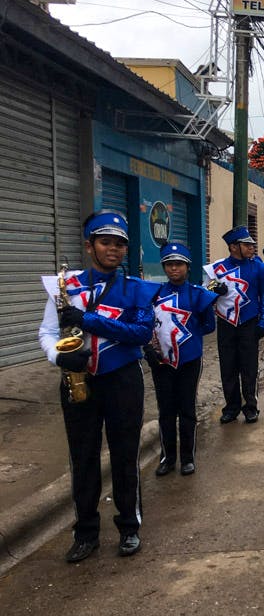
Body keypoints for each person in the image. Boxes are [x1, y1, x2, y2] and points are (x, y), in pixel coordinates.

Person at [38, 211, 158, 562]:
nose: (113, 249)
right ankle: (86, 533)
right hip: (77, 381)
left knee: (125, 455)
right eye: (106, 242)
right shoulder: (65, 286)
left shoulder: (136, 288)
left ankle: (129, 527)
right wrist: (58, 357)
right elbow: (47, 332)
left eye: (120, 244)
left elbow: (141, 333)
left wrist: (89, 320)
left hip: (123, 379)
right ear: (89, 246)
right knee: (83, 458)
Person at [146, 242, 221, 478]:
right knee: (166, 410)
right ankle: (167, 458)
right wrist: (151, 348)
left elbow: (209, 325)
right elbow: (147, 324)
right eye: (169, 264)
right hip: (162, 361)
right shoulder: (154, 293)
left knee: (187, 409)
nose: (173, 269)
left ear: (187, 267)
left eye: (178, 264)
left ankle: (187, 458)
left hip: (189, 359)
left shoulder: (198, 294)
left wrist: (188, 334)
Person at [206, 225, 264, 423]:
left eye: (252, 245)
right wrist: (215, 288)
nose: (252, 248)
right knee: (228, 367)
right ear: (234, 247)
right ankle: (231, 407)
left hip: (249, 322)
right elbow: (206, 288)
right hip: (226, 323)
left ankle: (251, 406)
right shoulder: (217, 268)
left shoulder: (258, 267)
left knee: (249, 367)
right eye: (247, 245)